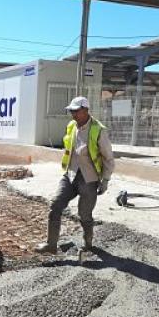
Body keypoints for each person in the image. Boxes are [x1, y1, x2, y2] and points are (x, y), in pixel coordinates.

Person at [35, 96, 115, 254]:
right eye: (71, 111)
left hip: (89, 179)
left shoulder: (98, 130)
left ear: (86, 110)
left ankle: (88, 242)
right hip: (70, 174)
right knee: (55, 205)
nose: (73, 114)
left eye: (76, 111)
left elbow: (108, 158)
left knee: (84, 214)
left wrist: (105, 180)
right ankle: (51, 245)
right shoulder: (71, 126)